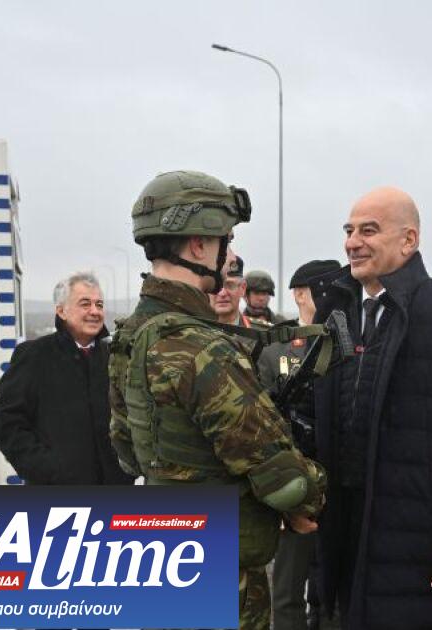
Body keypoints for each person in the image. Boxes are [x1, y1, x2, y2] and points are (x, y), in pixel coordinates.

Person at [107, 170, 325, 630]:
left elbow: (127, 452)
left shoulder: (131, 334)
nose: (230, 255)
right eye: (226, 240)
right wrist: (314, 496)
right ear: (198, 246)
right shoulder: (202, 348)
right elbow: (283, 480)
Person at [309, 187, 432, 629]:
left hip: (416, 543)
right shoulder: (335, 314)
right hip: (343, 533)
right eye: (349, 231)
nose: (353, 242)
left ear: (409, 240)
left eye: (368, 231)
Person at [261, 258, 343, 630]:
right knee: (287, 593)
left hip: (340, 482)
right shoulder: (278, 347)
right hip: (294, 483)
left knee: (335, 592)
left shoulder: (349, 343)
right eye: (321, 292)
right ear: (299, 294)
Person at [0, 271, 133, 486]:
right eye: (85, 304)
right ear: (61, 311)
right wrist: (44, 469)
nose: (95, 311)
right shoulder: (34, 355)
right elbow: (8, 421)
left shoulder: (116, 357)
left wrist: (129, 465)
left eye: (99, 305)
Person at [211, 255, 256, 327]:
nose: (222, 293)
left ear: (242, 288)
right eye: (216, 285)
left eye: (230, 285)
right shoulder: (192, 328)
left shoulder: (260, 332)